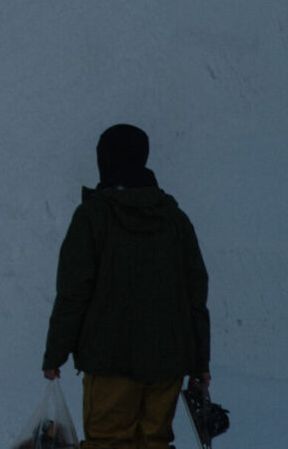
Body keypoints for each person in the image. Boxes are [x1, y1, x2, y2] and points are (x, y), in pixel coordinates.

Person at [42, 124, 210, 449]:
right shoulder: (176, 219)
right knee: (154, 442)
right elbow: (196, 294)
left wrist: (55, 353)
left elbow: (74, 291)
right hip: (168, 362)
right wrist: (200, 362)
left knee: (107, 441)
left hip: (109, 362)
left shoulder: (93, 217)